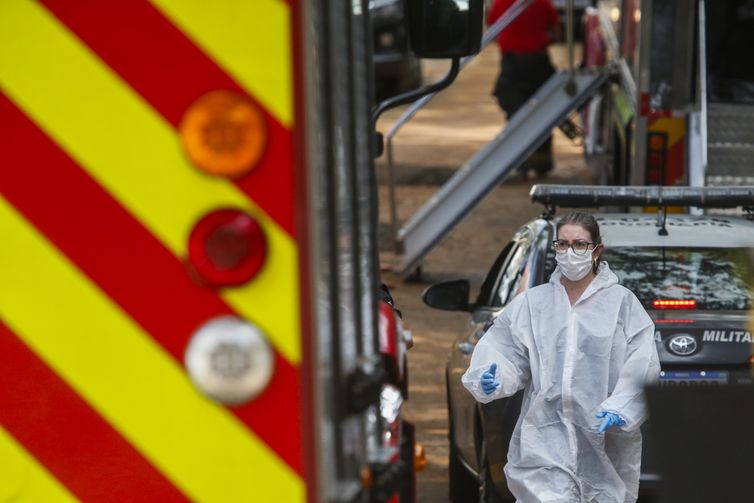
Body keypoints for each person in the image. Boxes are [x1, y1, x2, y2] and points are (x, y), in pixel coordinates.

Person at [462, 211, 660, 503]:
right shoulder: (534, 304)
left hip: (604, 441)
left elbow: (642, 361)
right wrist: (492, 376)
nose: (570, 252)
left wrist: (622, 406)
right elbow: (505, 349)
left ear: (596, 250)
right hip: (544, 440)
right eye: (563, 244)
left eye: (579, 244)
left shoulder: (621, 304)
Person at [487, 0, 561, 178]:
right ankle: (542, 164)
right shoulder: (543, 3)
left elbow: (492, 31)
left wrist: (510, 41)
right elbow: (557, 34)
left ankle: (521, 162)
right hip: (538, 62)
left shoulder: (500, 3)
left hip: (512, 64)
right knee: (542, 113)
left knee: (516, 115)